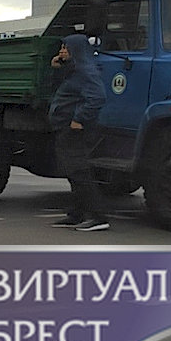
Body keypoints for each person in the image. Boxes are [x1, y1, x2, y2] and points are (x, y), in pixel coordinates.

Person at [47, 34, 109, 232]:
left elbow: (97, 97)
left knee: (79, 170)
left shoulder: (86, 71)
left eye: (66, 47)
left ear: (77, 50)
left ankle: (98, 217)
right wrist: (58, 67)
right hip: (64, 126)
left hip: (74, 128)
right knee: (71, 171)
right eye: (62, 47)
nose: (62, 50)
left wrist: (79, 119)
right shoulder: (74, 70)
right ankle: (75, 214)